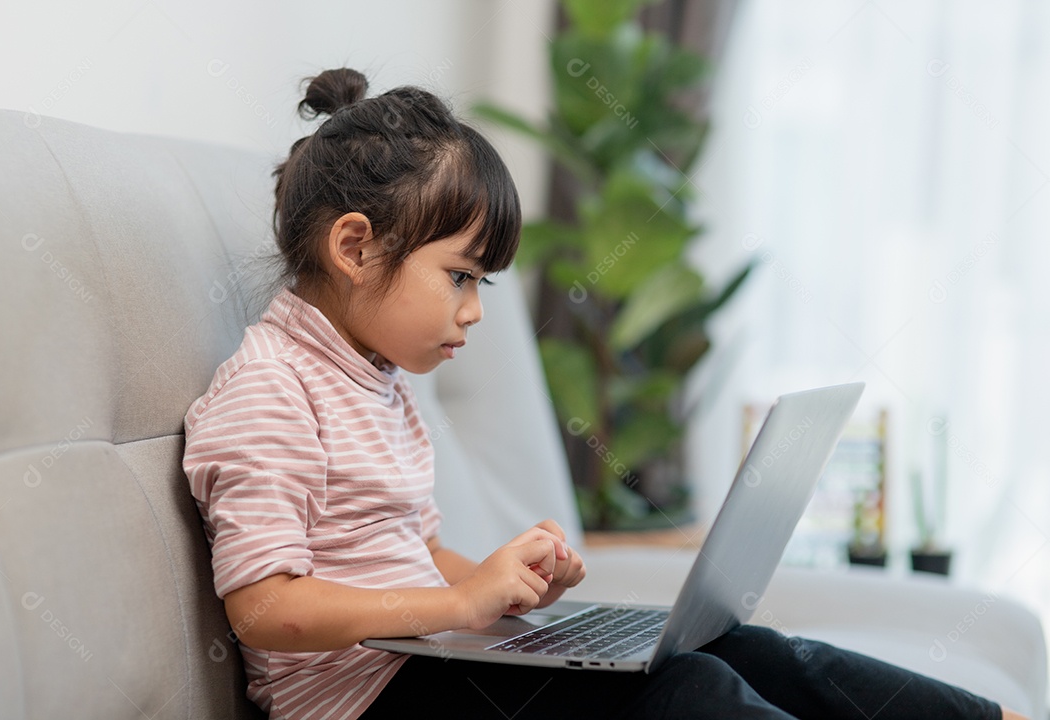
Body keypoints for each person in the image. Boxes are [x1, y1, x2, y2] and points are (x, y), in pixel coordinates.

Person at [183, 68, 1024, 720]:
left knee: (746, 650)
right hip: (372, 702)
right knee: (690, 691)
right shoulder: (268, 391)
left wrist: (501, 581)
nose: (475, 311)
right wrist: (462, 604)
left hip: (431, 666)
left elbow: (409, 547)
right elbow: (266, 608)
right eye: (461, 276)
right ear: (354, 247)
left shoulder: (371, 377)